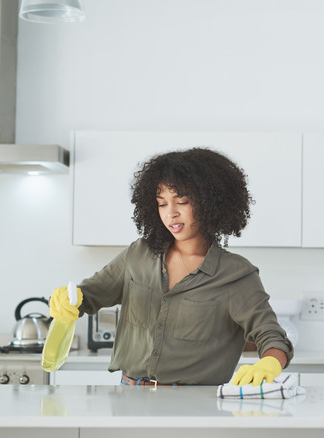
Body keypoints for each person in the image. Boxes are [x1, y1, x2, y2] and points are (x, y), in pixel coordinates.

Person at [49, 147, 293, 386]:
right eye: (162, 203)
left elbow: (271, 336)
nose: (171, 214)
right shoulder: (138, 254)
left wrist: (270, 362)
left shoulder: (235, 275)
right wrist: (70, 300)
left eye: (182, 201)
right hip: (128, 398)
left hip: (196, 406)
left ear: (212, 204)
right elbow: (89, 296)